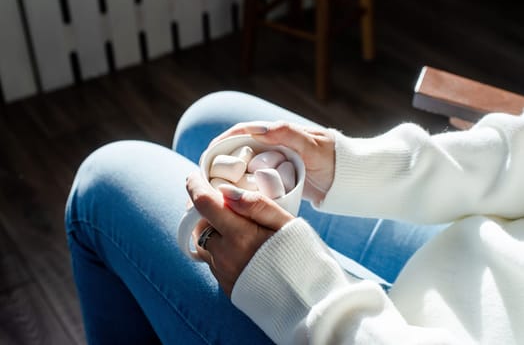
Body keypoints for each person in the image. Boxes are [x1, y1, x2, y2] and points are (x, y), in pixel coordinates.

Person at [65, 91, 524, 345]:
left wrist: (299, 293)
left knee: (103, 184)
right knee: (209, 119)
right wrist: (347, 163)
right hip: (472, 254)